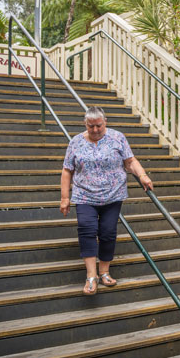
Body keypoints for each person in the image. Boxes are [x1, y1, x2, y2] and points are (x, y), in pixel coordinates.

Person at [60, 106, 153, 295]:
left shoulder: (118, 138)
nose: (95, 130)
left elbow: (130, 161)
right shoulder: (76, 142)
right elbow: (67, 170)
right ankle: (91, 276)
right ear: (85, 124)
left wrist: (142, 175)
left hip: (113, 195)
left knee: (108, 232)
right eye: (90, 126)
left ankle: (104, 272)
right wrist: (64, 198)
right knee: (87, 230)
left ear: (106, 123)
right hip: (85, 195)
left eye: (99, 126)